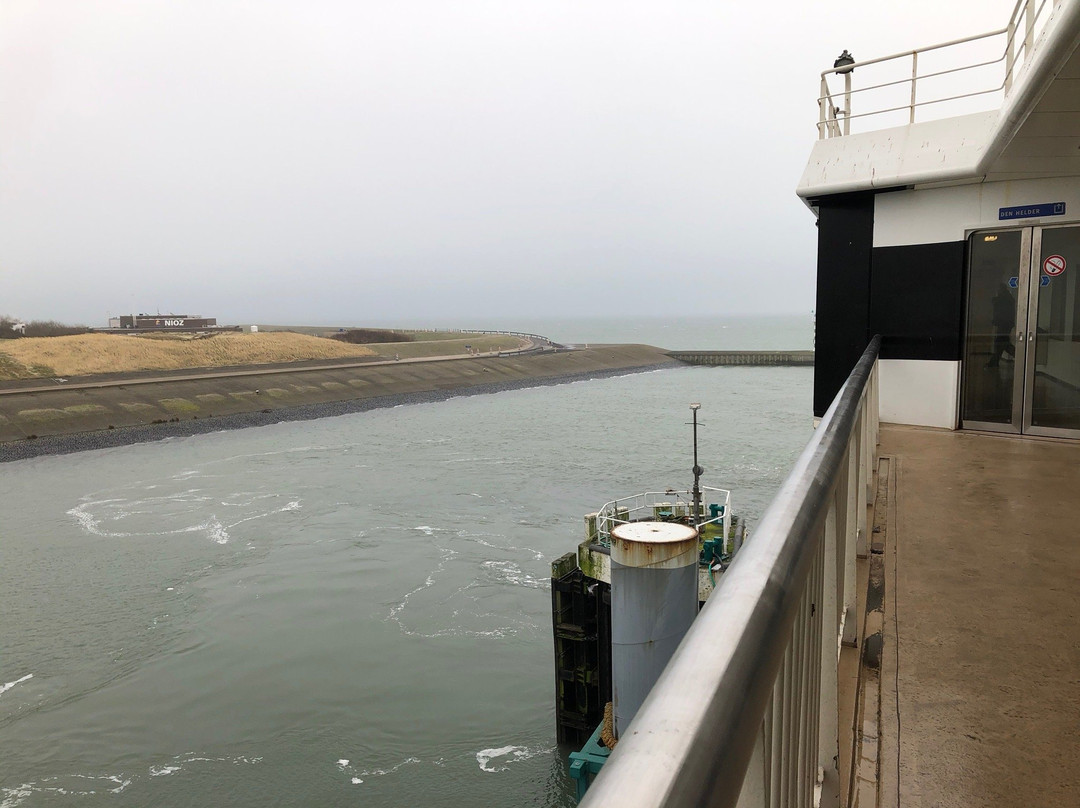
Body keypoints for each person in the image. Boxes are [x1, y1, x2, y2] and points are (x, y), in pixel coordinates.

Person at [987, 282, 1016, 368]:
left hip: (1004, 323)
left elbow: (996, 303)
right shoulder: (1009, 298)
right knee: (1003, 343)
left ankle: (1020, 356)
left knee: (1001, 343)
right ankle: (994, 362)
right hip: (1006, 323)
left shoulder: (1004, 298)